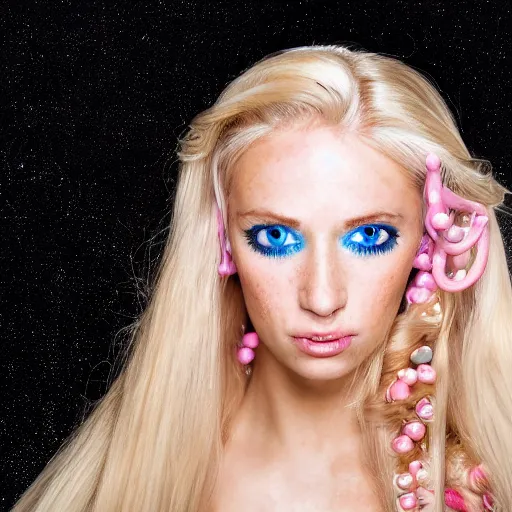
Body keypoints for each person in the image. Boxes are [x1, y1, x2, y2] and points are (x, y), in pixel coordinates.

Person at [13, 45, 512, 512]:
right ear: (222, 239)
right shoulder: (134, 483)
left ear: (431, 241)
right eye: (275, 238)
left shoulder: (472, 488)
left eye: (369, 237)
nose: (321, 297)